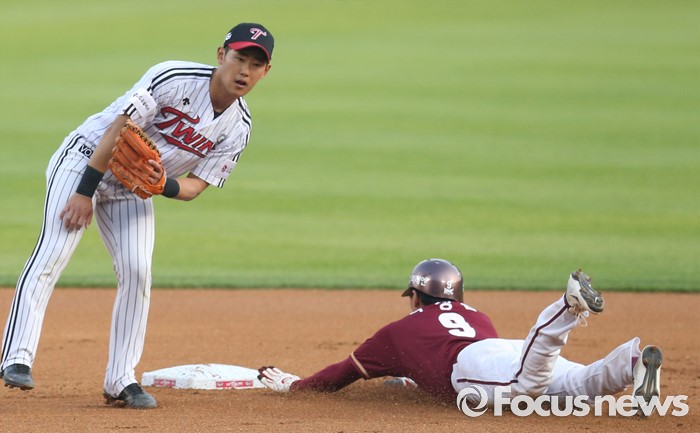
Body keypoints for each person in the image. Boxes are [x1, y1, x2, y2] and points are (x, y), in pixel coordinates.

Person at [1, 22, 275, 409]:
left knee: (138, 270)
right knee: (53, 253)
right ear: (221, 55)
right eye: (239, 58)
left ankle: (120, 380)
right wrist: (84, 191)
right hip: (84, 161)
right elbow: (120, 127)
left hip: (133, 187)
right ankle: (16, 357)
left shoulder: (238, 128)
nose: (244, 70)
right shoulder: (174, 77)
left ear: (266, 71)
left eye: (255, 64)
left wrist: (163, 184)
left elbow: (195, 187)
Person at [258, 259, 663, 414]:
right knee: (577, 384)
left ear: (416, 296)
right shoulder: (477, 315)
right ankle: (631, 363)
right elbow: (428, 360)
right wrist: (410, 380)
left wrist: (296, 386)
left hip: (471, 366)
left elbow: (342, 373)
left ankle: (567, 306)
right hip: (502, 351)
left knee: (526, 384)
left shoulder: (399, 331)